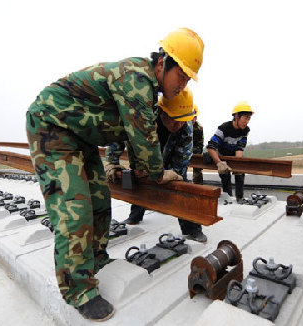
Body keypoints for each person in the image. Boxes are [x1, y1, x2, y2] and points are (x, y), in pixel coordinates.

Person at [26, 28, 204, 321]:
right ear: (162, 64)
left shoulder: (147, 89)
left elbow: (135, 143)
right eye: (181, 76)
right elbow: (145, 141)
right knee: (75, 209)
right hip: (52, 127)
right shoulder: (137, 80)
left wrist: (147, 169)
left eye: (187, 79)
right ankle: (77, 289)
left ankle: (95, 260)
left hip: (79, 136)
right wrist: (159, 173)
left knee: (99, 200)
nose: (182, 85)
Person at [105, 88, 207, 243]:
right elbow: (120, 133)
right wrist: (112, 162)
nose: (178, 124)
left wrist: (169, 174)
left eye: (183, 120)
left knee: (182, 186)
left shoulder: (186, 128)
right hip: (143, 158)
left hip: (170, 159)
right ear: (161, 112)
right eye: (174, 119)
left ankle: (192, 229)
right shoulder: (142, 117)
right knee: (139, 180)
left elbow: (181, 164)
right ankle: (135, 216)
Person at [206, 101, 254, 201]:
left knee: (240, 172)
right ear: (236, 117)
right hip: (222, 155)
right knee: (225, 176)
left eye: (249, 118)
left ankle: (240, 198)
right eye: (245, 118)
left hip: (233, 155)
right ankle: (228, 199)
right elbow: (211, 147)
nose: (247, 121)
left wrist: (237, 163)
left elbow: (239, 148)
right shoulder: (224, 128)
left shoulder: (245, 130)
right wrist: (219, 163)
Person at [191, 106, 204, 185]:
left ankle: (198, 186)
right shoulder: (180, 125)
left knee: (198, 167)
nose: (193, 119)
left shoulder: (199, 128)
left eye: (195, 117)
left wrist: (194, 154)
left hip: (194, 150)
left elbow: (200, 144)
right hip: (182, 150)